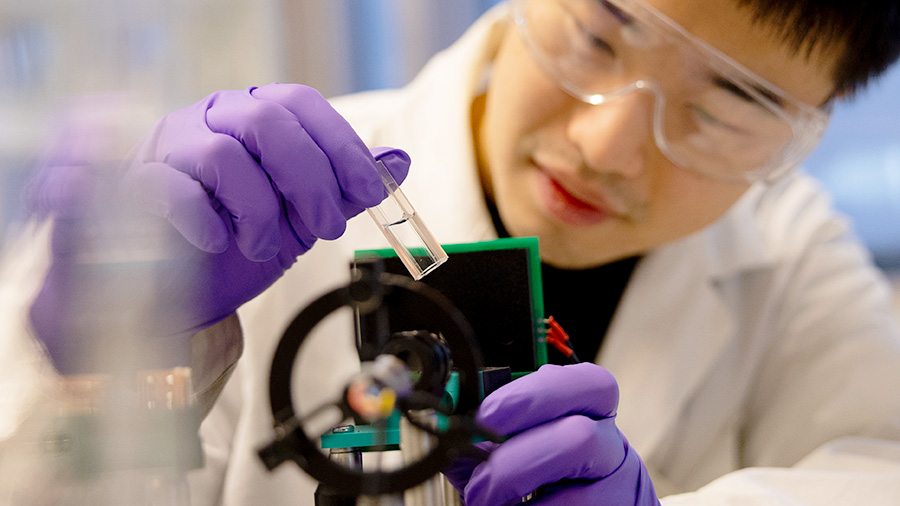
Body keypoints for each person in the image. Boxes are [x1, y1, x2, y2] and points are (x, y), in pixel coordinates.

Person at [4, 0, 900, 504]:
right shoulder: (239, 203)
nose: (606, 146)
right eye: (598, 32)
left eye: (725, 109)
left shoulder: (790, 260)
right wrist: (110, 372)